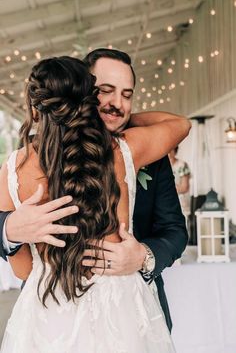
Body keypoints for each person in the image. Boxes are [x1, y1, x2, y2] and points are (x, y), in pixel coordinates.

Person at [0, 57, 190, 352]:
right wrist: (9, 229)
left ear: (37, 106)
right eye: (106, 91)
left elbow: (24, 271)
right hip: (123, 311)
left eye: (127, 95)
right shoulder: (127, 151)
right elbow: (181, 124)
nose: (117, 104)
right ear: (89, 95)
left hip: (51, 314)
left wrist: (143, 256)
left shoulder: (15, 168)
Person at [168, 146, 191, 220]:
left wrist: (166, 190)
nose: (168, 153)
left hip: (180, 203)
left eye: (170, 150)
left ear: (175, 150)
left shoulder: (182, 165)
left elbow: (184, 187)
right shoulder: (160, 167)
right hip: (165, 204)